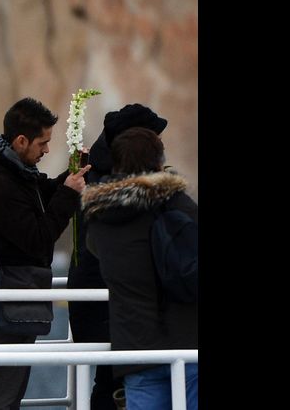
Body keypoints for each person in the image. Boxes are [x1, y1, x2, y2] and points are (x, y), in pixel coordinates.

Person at [0, 96, 89, 410]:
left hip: (3, 282)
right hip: (6, 286)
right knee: (2, 388)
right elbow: (38, 239)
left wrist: (71, 176)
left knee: (6, 379)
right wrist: (68, 194)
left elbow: (37, 193)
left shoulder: (7, 164)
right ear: (21, 141)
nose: (46, 150)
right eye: (42, 143)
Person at [84, 127, 198, 409]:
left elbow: (96, 252)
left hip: (135, 348)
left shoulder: (100, 216)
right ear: (159, 162)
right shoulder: (177, 204)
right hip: (189, 343)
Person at [66, 104, 168, 409]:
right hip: (109, 303)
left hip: (98, 300)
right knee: (115, 381)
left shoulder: (93, 176)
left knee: (111, 380)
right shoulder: (112, 189)